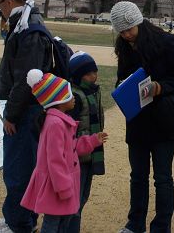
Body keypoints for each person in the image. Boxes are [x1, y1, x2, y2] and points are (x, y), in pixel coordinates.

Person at [110, 1, 174, 233]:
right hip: (136, 118)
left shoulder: (166, 42)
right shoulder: (124, 46)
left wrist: (158, 87)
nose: (126, 35)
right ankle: (135, 223)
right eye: (122, 31)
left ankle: (161, 227)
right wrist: (121, 86)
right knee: (137, 176)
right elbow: (122, 76)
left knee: (162, 177)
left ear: (139, 23)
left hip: (163, 118)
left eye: (129, 29)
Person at [0, 0, 53, 233]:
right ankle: (17, 216)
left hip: (26, 111)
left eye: (0, 5)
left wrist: (12, 115)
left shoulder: (30, 29)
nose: (0, 11)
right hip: (29, 108)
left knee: (20, 168)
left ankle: (20, 223)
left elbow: (26, 79)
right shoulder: (27, 23)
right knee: (21, 166)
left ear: (7, 2)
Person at [21, 69, 108, 233]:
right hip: (57, 186)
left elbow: (71, 147)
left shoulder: (59, 120)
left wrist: (92, 140)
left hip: (63, 183)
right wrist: (64, 188)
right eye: (69, 95)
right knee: (52, 223)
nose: (73, 97)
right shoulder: (55, 124)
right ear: (59, 100)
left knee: (63, 221)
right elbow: (55, 160)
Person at [66, 51, 105, 233]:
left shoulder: (93, 91)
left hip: (90, 154)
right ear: (78, 75)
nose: (94, 76)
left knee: (83, 197)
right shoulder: (74, 97)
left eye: (95, 71)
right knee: (74, 201)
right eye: (89, 73)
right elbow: (67, 132)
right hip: (76, 158)